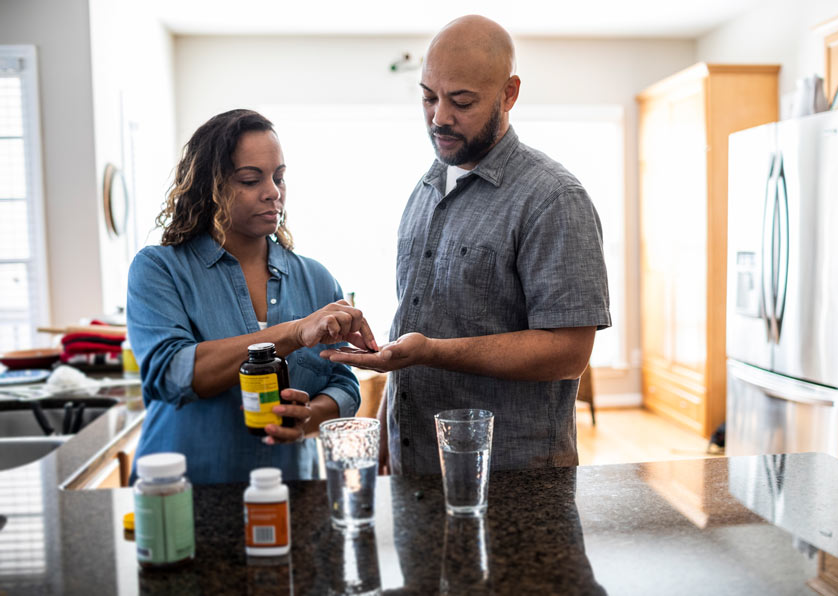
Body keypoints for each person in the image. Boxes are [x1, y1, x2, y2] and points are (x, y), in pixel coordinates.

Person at [323, 15, 611, 476]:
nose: (439, 117)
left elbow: (569, 352)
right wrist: (384, 428)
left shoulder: (554, 198)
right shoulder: (426, 188)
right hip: (411, 467)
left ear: (509, 93)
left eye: (461, 102)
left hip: (513, 480)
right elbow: (414, 318)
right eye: (428, 97)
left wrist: (432, 351)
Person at [127, 109, 377, 484]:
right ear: (210, 186)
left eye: (279, 178)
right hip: (184, 496)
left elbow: (343, 383)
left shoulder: (316, 279)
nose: (273, 192)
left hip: (290, 493)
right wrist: (293, 333)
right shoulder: (159, 269)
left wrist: (307, 416)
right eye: (250, 179)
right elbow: (173, 374)